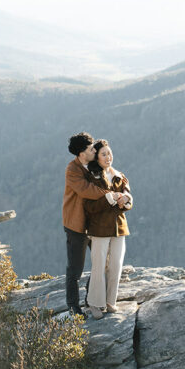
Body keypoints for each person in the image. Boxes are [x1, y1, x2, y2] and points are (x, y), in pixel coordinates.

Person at [62, 132, 125, 318]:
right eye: (91, 149)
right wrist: (110, 194)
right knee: (75, 268)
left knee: (102, 262)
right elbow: (86, 190)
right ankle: (73, 306)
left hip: (94, 224)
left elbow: (112, 175)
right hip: (76, 224)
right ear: (82, 153)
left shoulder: (92, 166)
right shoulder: (73, 169)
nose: (94, 150)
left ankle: (92, 300)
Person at [83, 139, 132, 320]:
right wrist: (109, 198)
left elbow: (129, 196)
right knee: (98, 267)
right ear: (96, 157)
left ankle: (111, 301)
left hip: (119, 228)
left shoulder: (119, 175)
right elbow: (89, 206)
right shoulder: (90, 178)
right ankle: (95, 303)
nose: (108, 157)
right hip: (98, 229)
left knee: (116, 266)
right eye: (103, 154)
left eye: (109, 153)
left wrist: (126, 200)